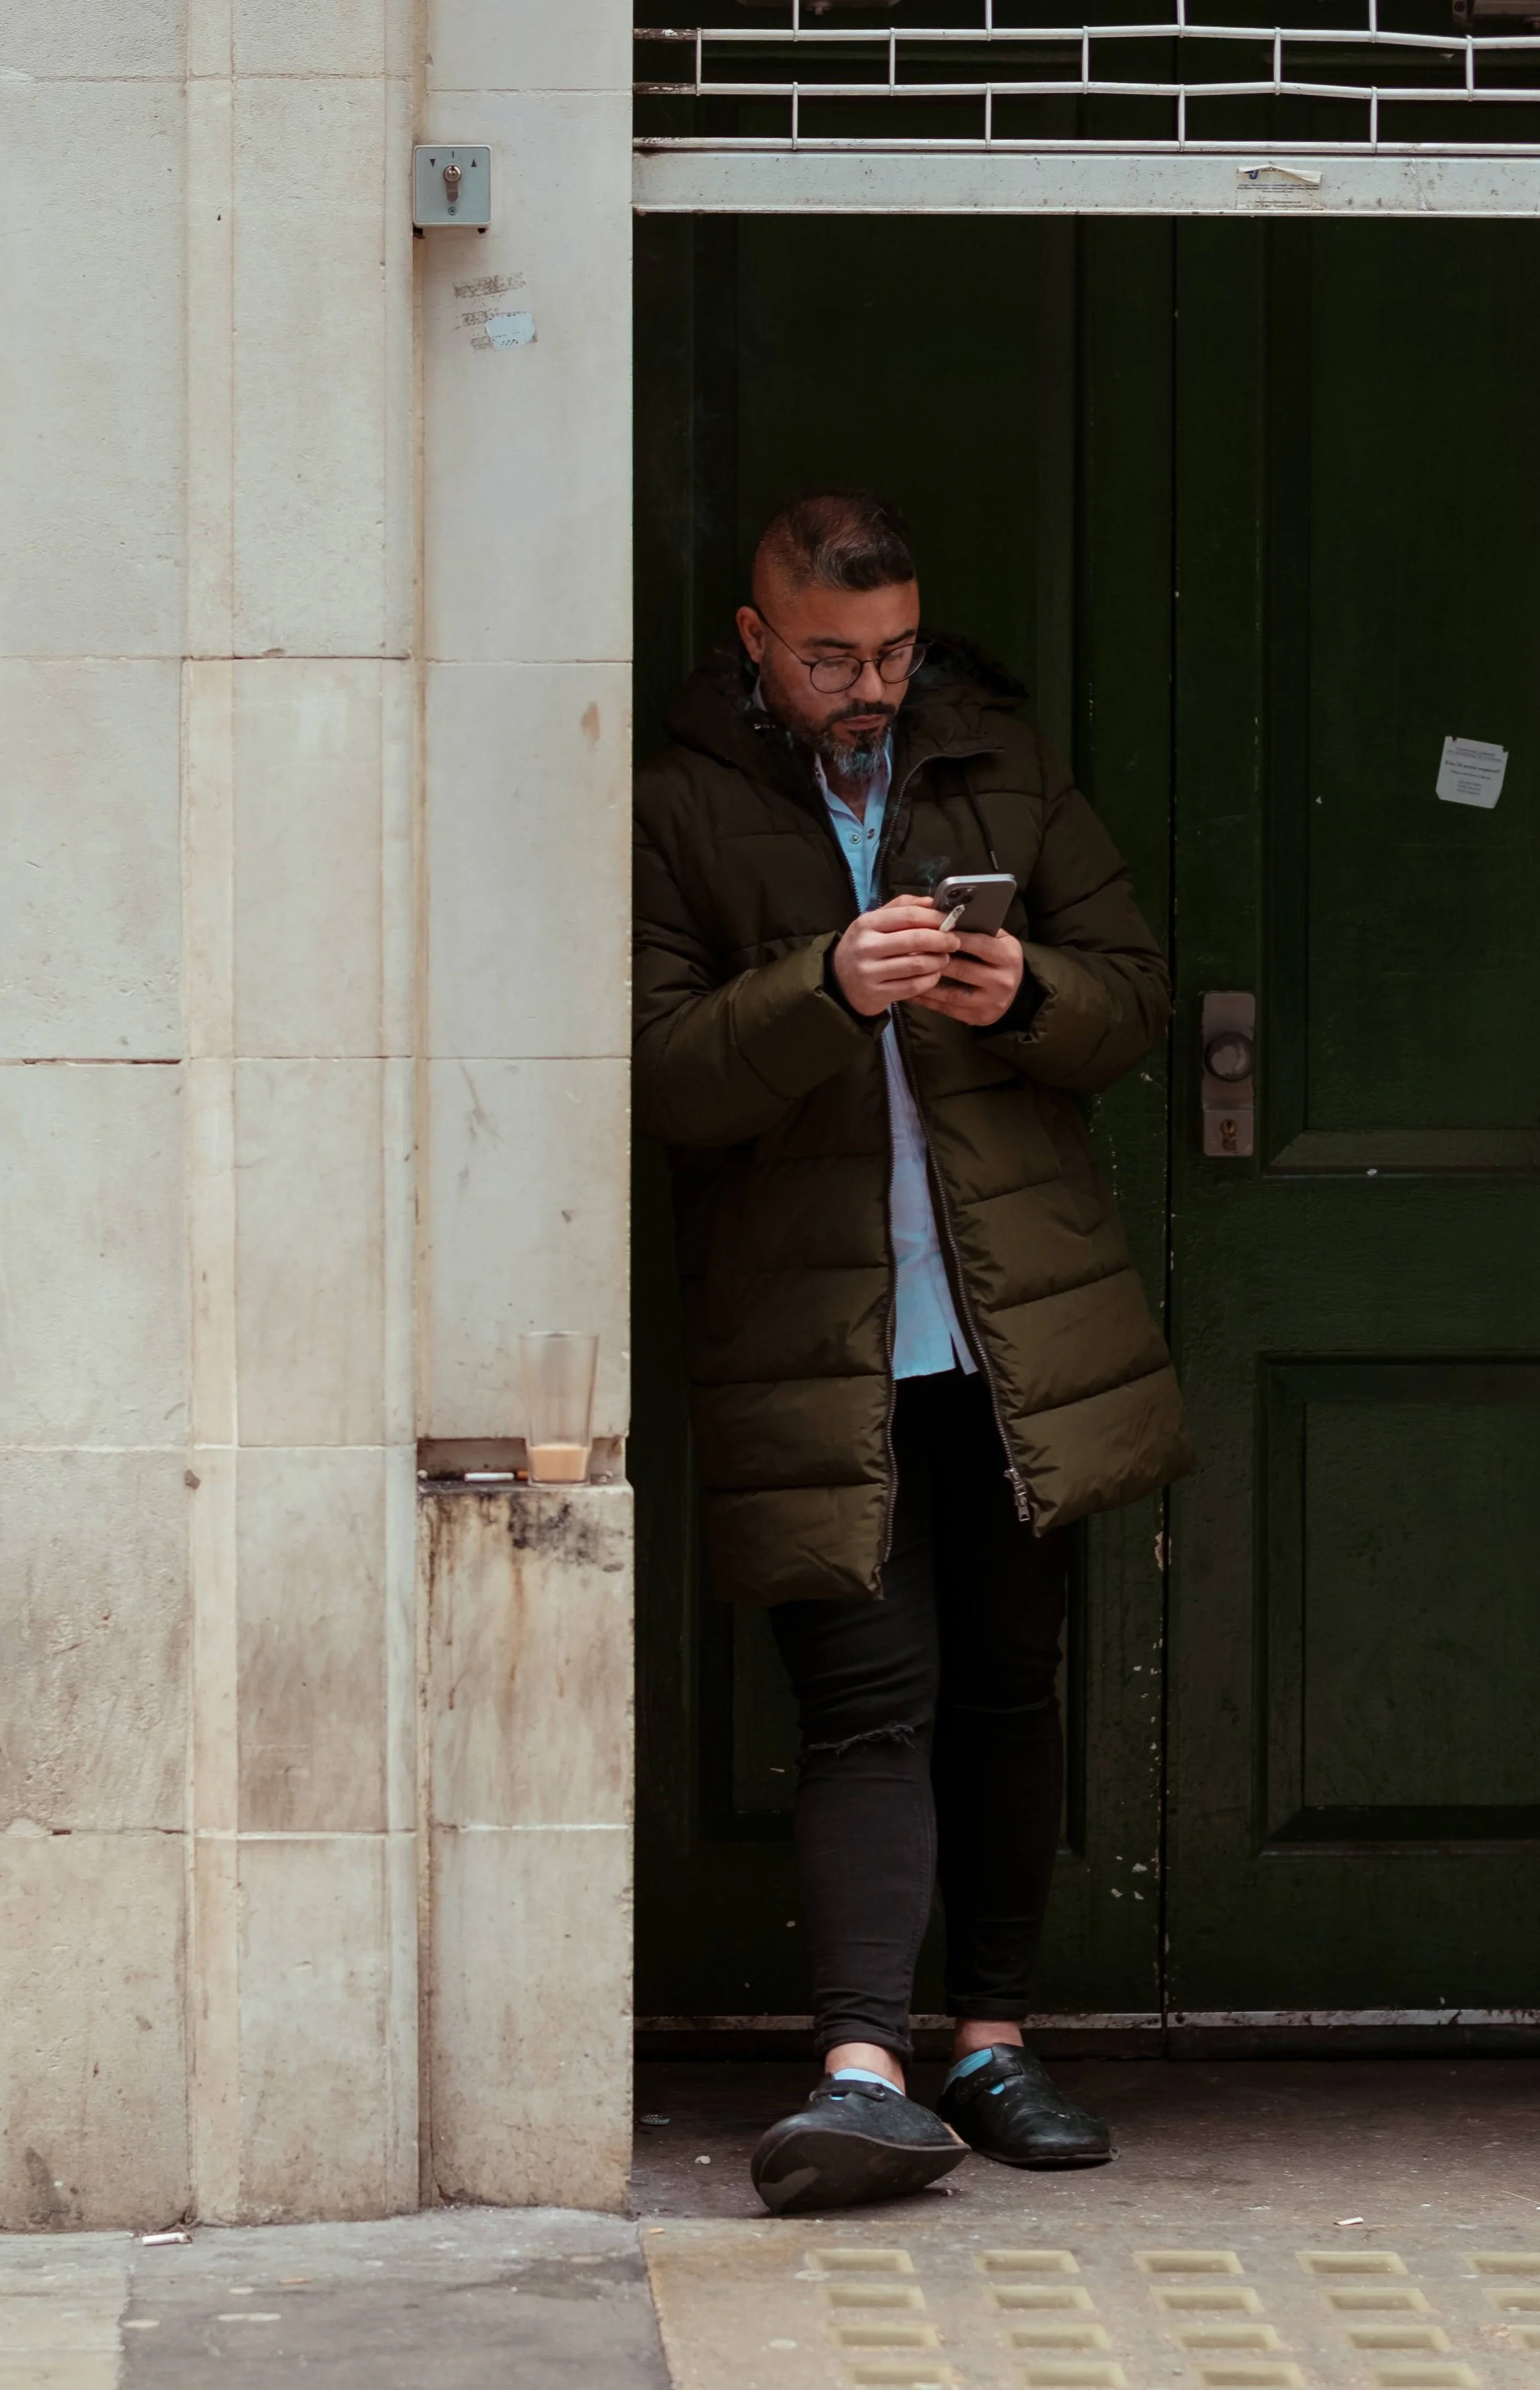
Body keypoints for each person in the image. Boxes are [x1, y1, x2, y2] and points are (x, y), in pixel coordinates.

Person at [633, 489, 1193, 2215]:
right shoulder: (679, 806)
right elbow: (657, 1071)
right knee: (866, 1702)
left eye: (888, 653)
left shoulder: (997, 769)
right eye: (827, 657)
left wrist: (1020, 989)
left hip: (1015, 1335)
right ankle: (859, 2068)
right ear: (755, 640)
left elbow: (1134, 1000)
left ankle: (991, 2042)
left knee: (1008, 1689)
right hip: (823, 1340)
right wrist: (825, 984)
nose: (865, 686)